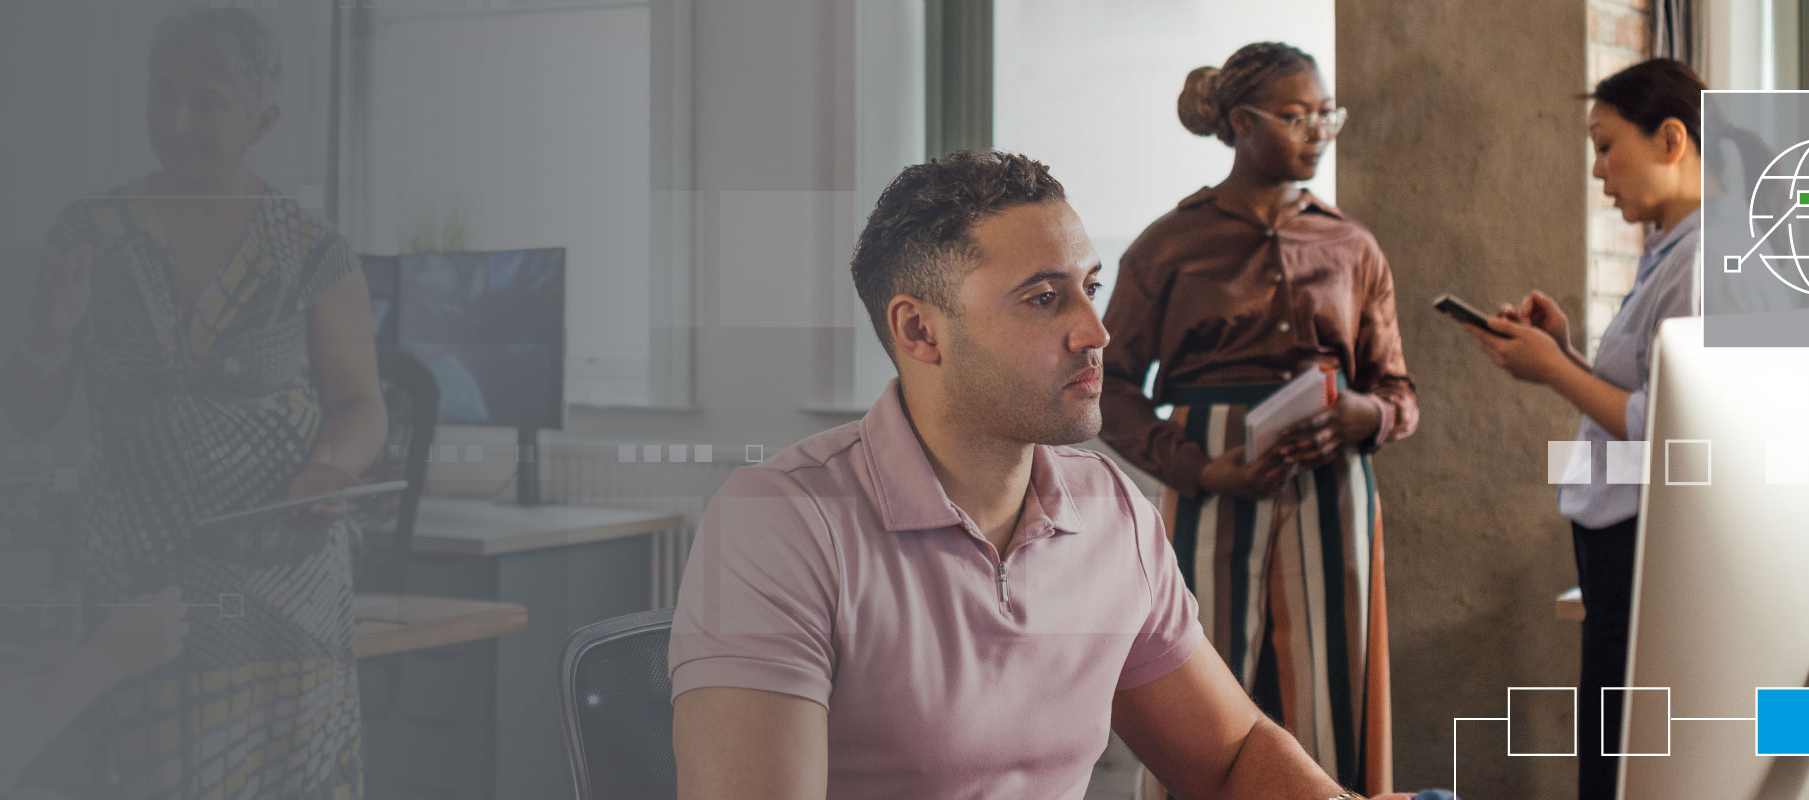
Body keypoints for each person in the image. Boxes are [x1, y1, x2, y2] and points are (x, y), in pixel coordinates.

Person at [668, 150, 1426, 800]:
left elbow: (1229, 760)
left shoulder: (1110, 512)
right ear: (919, 331)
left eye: (1089, 288)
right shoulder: (781, 524)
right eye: (1043, 298)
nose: (1096, 333)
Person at [0, 8, 386, 799]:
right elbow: (28, 411)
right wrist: (46, 333)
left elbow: (362, 408)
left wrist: (328, 472)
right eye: (161, 95)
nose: (176, 122)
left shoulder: (312, 250)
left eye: (205, 102)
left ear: (261, 119)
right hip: (144, 609)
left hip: (285, 612)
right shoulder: (89, 231)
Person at [1096, 41, 1416, 795]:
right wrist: (1197, 467)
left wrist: (1363, 415)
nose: (1319, 131)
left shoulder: (1352, 244)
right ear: (1242, 122)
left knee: (1336, 682)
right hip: (1208, 476)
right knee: (1199, 680)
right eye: (1298, 116)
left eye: (1326, 115)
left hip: (1335, 485)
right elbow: (1107, 386)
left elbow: (1399, 393)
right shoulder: (1169, 245)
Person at [1462, 57, 1707, 800]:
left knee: (1626, 754)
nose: (1598, 171)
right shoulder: (1669, 251)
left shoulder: (1706, 261)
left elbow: (1672, 428)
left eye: (1606, 146)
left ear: (1671, 138)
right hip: (1617, 539)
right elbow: (1641, 391)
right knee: (1613, 740)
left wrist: (1554, 371)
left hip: (1646, 543)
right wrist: (1563, 353)